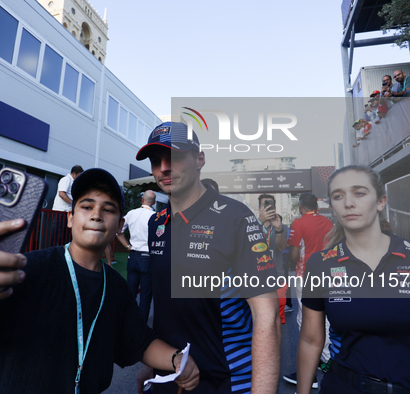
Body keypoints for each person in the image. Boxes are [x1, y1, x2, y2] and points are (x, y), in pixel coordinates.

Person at [0, 168, 199, 393]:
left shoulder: (117, 288)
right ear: (70, 218)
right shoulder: (25, 270)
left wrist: (176, 360)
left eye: (108, 209)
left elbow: (138, 342)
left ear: (120, 225)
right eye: (86, 206)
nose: (97, 215)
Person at [297, 165, 410, 394]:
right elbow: (310, 340)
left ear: (381, 202)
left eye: (359, 193)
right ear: (332, 207)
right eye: (338, 196)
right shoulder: (321, 264)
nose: (348, 202)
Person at [136, 121, 281, 393]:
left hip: (224, 381)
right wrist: (153, 365)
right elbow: (166, 305)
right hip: (168, 376)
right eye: (156, 161)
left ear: (200, 159)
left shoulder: (235, 218)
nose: (164, 168)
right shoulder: (157, 222)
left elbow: (268, 317)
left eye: (174, 156)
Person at [283, 192, 333, 389]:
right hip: (327, 275)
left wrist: (290, 265)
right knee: (326, 319)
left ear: (301, 206)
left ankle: (315, 369)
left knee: (304, 320)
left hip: (305, 276)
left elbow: (294, 253)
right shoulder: (328, 223)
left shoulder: (299, 222)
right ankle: (323, 360)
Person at [116, 190, 157, 323]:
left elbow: (118, 231)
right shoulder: (155, 216)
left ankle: (125, 323)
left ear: (142, 200)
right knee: (145, 297)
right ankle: (141, 328)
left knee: (130, 294)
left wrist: (128, 246)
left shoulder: (131, 213)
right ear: (154, 202)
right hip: (147, 258)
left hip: (132, 256)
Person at [257, 194, 290, 323]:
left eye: (271, 205)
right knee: (259, 318)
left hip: (277, 277)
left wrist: (278, 229)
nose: (268, 208)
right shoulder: (252, 224)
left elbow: (282, 247)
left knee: (277, 318)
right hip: (257, 278)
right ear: (260, 208)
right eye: (265, 204)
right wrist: (259, 223)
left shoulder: (280, 226)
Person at [51, 165, 83, 246]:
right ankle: (53, 253)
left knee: (66, 236)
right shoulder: (66, 179)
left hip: (67, 212)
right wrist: (73, 203)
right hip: (60, 211)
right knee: (57, 234)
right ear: (74, 174)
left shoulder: (74, 182)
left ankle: (63, 254)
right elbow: (61, 194)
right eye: (79, 175)